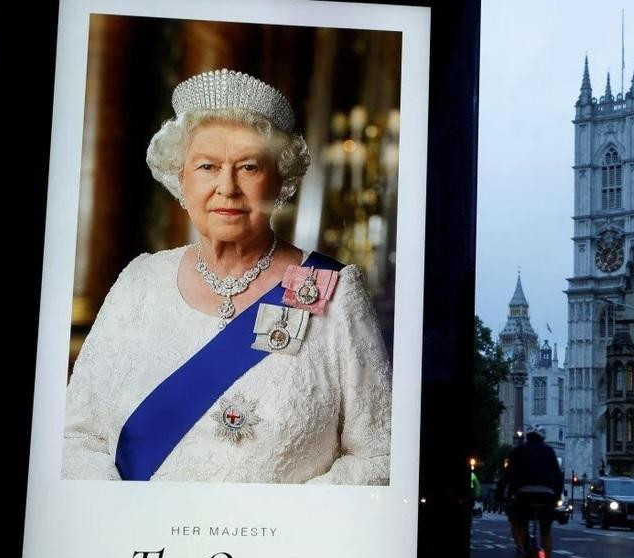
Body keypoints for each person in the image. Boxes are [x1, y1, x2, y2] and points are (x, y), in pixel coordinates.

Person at [61, 69, 391, 484]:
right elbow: (77, 437)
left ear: (280, 180)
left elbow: (380, 454)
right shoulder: (139, 282)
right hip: (148, 548)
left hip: (279, 548)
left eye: (249, 167)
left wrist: (284, 525)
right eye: (207, 166)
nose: (227, 187)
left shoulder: (335, 291)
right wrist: (126, 522)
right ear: (181, 178)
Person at [496, 425, 564, 558]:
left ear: (527, 437)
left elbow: (507, 475)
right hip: (547, 495)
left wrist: (500, 494)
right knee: (546, 532)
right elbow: (559, 476)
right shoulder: (550, 451)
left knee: (516, 522)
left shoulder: (518, 451)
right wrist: (556, 496)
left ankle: (520, 547)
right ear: (542, 438)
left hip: (524, 494)